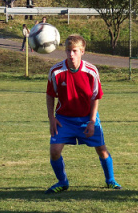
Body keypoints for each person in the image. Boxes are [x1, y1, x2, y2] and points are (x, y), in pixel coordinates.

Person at [45, 34, 122, 193]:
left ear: (82, 51)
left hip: (87, 117)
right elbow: (50, 95)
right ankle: (62, 181)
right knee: (54, 151)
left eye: (74, 51)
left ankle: (111, 180)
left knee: (102, 150)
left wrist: (92, 121)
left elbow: (95, 97)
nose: (71, 54)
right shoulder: (56, 71)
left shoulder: (91, 71)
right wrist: (51, 118)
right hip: (64, 119)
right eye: (68, 51)